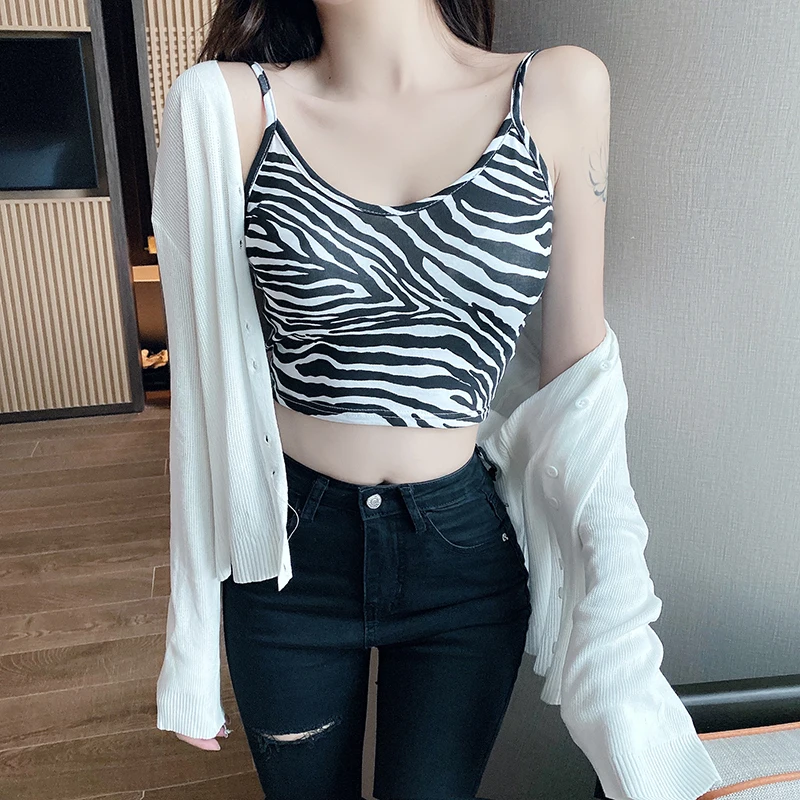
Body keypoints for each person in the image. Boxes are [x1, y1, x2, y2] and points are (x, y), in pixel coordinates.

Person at [150, 1, 718, 799]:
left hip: (462, 552)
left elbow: (581, 390)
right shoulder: (225, 105)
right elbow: (201, 401)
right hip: (290, 559)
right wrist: (188, 645)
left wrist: (619, 637)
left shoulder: (558, 90)